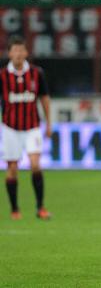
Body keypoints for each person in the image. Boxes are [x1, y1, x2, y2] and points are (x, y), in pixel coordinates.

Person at [1, 36, 52, 220]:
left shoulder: (37, 73)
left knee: (36, 165)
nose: (18, 54)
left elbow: (44, 98)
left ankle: (40, 207)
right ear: (9, 53)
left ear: (26, 53)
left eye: (21, 50)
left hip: (32, 126)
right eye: (15, 50)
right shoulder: (2, 76)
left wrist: (49, 122)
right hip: (10, 128)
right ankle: (15, 209)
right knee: (13, 168)